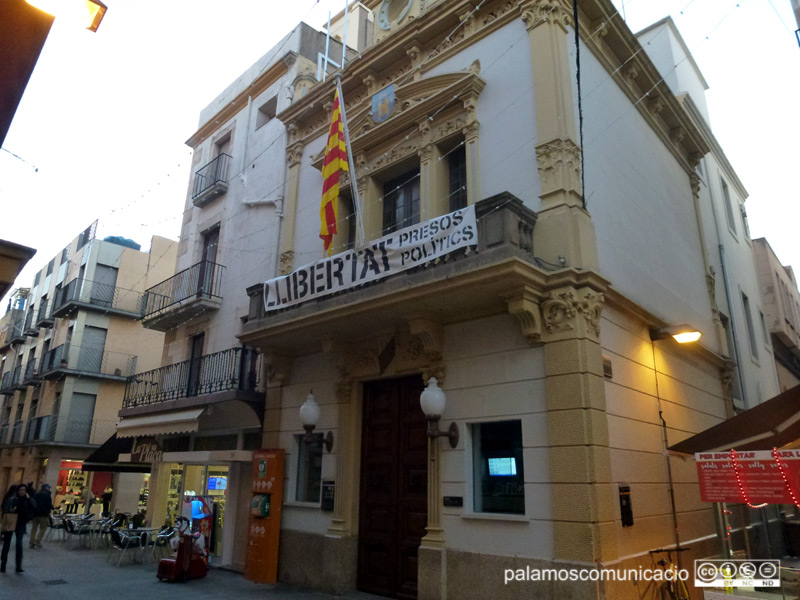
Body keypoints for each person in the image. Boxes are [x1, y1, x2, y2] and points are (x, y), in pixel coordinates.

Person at [1, 483, 36, 573]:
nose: (22, 492)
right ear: (17, 491)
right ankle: (3, 565)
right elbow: (5, 508)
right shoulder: (12, 499)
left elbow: (34, 506)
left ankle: (18, 566)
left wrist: (29, 498)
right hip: (11, 522)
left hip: (21, 524)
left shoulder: (27, 499)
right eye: (20, 490)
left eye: (24, 490)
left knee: (19, 545)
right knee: (6, 544)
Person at [29, 483, 53, 549]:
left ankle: (31, 542)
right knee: (43, 527)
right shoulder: (47, 494)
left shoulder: (37, 494)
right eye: (48, 487)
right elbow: (49, 503)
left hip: (35, 513)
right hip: (43, 514)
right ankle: (37, 541)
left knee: (34, 528)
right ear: (46, 487)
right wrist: (52, 508)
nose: (49, 488)